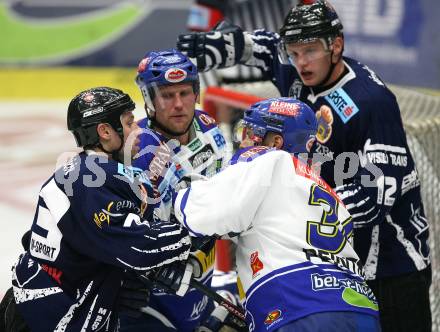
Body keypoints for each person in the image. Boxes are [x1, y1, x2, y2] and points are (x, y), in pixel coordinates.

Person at [177, 1, 432, 331]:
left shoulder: (371, 101)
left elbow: (379, 191)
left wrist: (296, 215)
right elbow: (267, 48)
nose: (300, 62)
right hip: (342, 267)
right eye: (295, 53)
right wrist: (229, 46)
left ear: (336, 46)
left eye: (310, 51)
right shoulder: (300, 73)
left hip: (393, 265)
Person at [172, 97, 381, 332]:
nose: (245, 140)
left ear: (276, 141)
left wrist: (176, 194)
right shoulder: (329, 193)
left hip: (297, 307)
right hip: (362, 310)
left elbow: (207, 214)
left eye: (251, 133)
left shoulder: (268, 158)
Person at [8, 87, 192, 331]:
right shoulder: (89, 180)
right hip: (43, 316)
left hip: (50, 304)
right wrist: (192, 228)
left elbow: (76, 245)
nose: (138, 131)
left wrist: (111, 285)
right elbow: (137, 247)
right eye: (129, 124)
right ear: (105, 132)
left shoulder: (89, 172)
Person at [118, 49, 229, 331]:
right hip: (151, 299)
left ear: (196, 92)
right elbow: (118, 229)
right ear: (149, 100)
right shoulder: (136, 149)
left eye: (185, 93)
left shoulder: (208, 127)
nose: (178, 104)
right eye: (167, 95)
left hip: (201, 281)